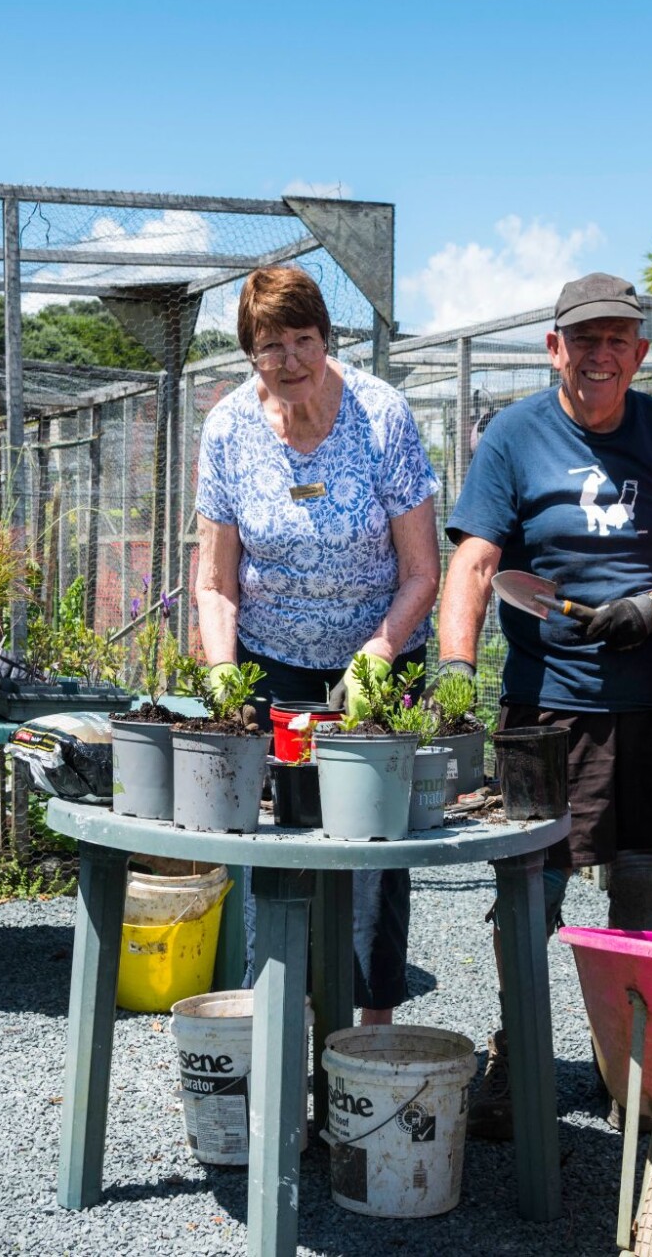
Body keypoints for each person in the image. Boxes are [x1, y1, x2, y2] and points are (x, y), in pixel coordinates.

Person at [438, 272, 652, 1137]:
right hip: (547, 706)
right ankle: (519, 1054)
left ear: (639, 353)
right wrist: (454, 666)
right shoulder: (514, 436)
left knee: (640, 885)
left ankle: (635, 1067)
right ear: (554, 347)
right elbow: (477, 562)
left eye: (617, 340)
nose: (601, 354)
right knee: (532, 887)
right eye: (583, 338)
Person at [193, 265, 441, 1024]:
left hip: (377, 652)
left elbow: (423, 570)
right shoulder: (228, 429)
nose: (292, 360)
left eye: (305, 340)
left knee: (372, 852)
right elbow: (214, 582)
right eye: (272, 346)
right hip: (273, 659)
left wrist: (381, 649)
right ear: (249, 353)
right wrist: (227, 678)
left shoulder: (382, 415)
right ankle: (278, 1023)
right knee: (276, 843)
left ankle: (370, 1037)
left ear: (327, 339)